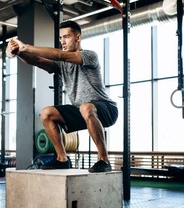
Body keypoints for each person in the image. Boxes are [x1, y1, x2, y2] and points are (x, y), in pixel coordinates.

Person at [7, 20, 118, 172]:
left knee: (86, 107)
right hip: (81, 110)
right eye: (60, 38)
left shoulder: (90, 56)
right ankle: (62, 158)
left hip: (106, 109)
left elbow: (61, 55)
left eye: (66, 37)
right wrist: (18, 52)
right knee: (46, 113)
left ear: (78, 38)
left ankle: (104, 160)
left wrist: (26, 46)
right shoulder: (62, 65)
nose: (62, 42)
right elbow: (37, 60)